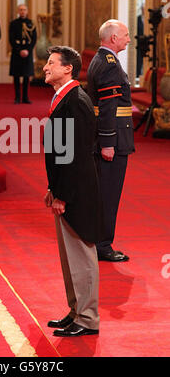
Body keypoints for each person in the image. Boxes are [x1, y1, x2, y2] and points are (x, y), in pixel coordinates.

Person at [43, 46, 105, 337]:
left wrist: (63, 194)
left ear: (68, 69)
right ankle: (76, 310)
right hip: (66, 188)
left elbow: (75, 155)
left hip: (77, 192)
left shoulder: (76, 101)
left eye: (51, 63)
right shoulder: (62, 98)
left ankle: (88, 318)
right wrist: (51, 187)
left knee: (81, 255)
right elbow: (58, 151)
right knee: (70, 258)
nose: (45, 67)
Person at [87, 19, 135, 262]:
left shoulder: (104, 60)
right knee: (108, 194)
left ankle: (99, 241)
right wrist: (107, 143)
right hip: (113, 138)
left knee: (104, 192)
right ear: (113, 38)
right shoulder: (109, 65)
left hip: (112, 136)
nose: (129, 39)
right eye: (125, 35)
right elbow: (107, 107)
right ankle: (103, 245)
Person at [9, 4, 37, 104]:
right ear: (18, 11)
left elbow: (34, 39)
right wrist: (19, 50)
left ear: (27, 11)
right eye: (20, 10)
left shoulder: (31, 24)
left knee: (26, 76)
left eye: (24, 10)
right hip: (17, 52)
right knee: (16, 76)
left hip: (27, 52)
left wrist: (27, 50)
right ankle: (17, 97)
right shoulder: (13, 23)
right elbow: (11, 39)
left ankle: (25, 97)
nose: (22, 11)